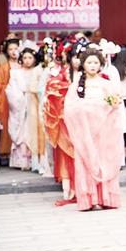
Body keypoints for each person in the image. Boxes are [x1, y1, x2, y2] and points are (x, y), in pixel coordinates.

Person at [64, 48, 124, 211]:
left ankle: (106, 198)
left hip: (103, 132)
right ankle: (89, 199)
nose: (92, 65)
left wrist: (104, 107)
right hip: (85, 133)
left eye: (95, 62)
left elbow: (115, 106)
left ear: (100, 64)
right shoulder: (76, 85)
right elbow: (69, 108)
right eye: (89, 62)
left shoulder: (106, 84)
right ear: (83, 64)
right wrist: (86, 109)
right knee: (87, 162)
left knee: (104, 161)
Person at [43, 36, 76, 206]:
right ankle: (68, 189)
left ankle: (81, 188)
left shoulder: (87, 75)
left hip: (80, 118)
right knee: (65, 153)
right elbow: (51, 91)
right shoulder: (59, 73)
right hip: (63, 118)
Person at [5, 46, 42, 170]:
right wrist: (21, 99)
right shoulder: (15, 73)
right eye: (25, 57)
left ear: (34, 59)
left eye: (30, 57)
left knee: (34, 130)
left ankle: (35, 161)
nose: (27, 60)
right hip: (21, 104)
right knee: (22, 132)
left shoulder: (39, 71)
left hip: (35, 104)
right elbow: (10, 90)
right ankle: (22, 162)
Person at [0, 38, 21, 159]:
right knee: (9, 125)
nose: (14, 51)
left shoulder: (24, 64)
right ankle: (7, 152)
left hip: (23, 99)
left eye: (16, 48)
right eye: (10, 49)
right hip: (8, 101)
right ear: (6, 51)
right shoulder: (4, 67)